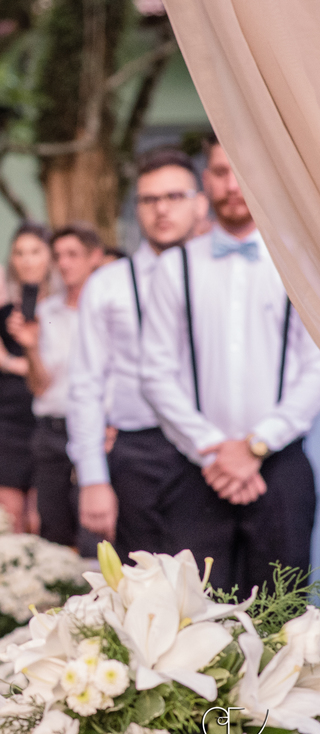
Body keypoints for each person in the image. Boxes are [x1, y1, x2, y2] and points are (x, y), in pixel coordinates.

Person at [140, 137, 320, 596]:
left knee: (282, 613)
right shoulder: (175, 267)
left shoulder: (301, 264)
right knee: (196, 609)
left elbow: (315, 367)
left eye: (243, 170)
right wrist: (214, 451)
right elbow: (156, 372)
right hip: (198, 467)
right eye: (221, 172)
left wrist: (257, 445)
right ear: (206, 180)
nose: (233, 184)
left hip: (280, 466)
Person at [67, 149, 208, 560]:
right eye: (149, 199)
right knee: (142, 581)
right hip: (138, 453)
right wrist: (93, 478)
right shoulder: (108, 284)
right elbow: (86, 384)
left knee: (214, 581)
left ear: (200, 203)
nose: (161, 209)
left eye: (174, 196)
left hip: (209, 447)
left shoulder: (221, 277)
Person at [8, 224, 102, 548]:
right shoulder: (46, 311)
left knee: (95, 537)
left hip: (98, 431)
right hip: (51, 432)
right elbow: (39, 386)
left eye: (72, 254)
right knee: (54, 536)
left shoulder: (109, 307)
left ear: (94, 257)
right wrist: (31, 347)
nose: (63, 263)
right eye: (58, 255)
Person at [0, 222, 54, 534]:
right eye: (19, 253)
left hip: (48, 413)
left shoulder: (62, 307)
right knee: (9, 516)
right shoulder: (2, 307)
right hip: (4, 417)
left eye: (35, 251)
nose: (27, 260)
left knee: (43, 516)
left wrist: (11, 361)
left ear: (50, 256)